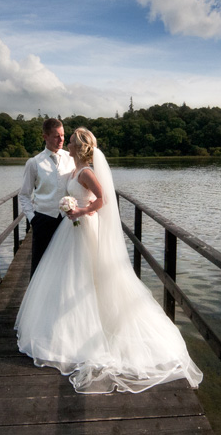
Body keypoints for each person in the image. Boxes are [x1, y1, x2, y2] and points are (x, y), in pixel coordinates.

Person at [15, 127, 203, 394]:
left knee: (85, 276)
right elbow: (56, 187)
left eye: (68, 140)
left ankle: (92, 329)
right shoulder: (66, 167)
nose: (65, 142)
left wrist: (80, 208)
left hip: (82, 226)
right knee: (68, 277)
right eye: (61, 137)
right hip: (66, 228)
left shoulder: (85, 171)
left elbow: (102, 198)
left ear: (78, 147)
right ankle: (63, 325)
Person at [19, 118, 76, 276]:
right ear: (45, 137)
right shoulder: (34, 163)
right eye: (56, 136)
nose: (61, 140)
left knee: (66, 266)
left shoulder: (71, 158)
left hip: (67, 220)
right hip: (43, 220)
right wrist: (33, 218)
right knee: (39, 267)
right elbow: (24, 194)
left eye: (63, 135)